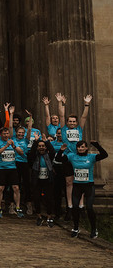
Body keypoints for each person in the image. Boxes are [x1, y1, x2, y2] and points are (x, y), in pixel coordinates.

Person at [57, 141, 108, 239]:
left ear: (86, 148)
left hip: (88, 185)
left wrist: (97, 146)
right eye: (79, 147)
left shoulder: (91, 157)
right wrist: (61, 150)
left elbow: (105, 155)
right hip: (77, 185)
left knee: (89, 207)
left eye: (82, 147)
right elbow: (58, 159)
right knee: (75, 207)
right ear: (77, 149)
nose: (80, 149)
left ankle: (94, 229)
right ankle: (76, 228)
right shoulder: (72, 156)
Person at [56, 93, 92, 221]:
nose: (71, 123)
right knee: (68, 182)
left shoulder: (79, 129)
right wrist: (61, 103)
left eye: (73, 121)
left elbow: (84, 116)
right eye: (70, 121)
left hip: (79, 158)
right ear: (67, 123)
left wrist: (86, 104)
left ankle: (81, 207)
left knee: (80, 182)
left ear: (76, 123)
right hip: (67, 157)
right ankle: (70, 207)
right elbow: (61, 115)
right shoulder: (64, 129)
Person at [0, 120, 25, 219]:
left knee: (16, 188)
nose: (6, 135)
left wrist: (14, 146)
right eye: (4, 133)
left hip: (12, 168)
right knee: (0, 188)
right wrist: (6, 146)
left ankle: (18, 207)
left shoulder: (13, 141)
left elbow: (21, 153)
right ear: (1, 134)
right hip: (1, 168)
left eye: (7, 133)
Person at [28, 133, 57, 227]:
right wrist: (35, 142)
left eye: (43, 146)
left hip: (48, 179)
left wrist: (46, 141)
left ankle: (49, 216)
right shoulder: (35, 156)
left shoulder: (49, 155)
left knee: (49, 198)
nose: (41, 148)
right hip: (37, 179)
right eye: (39, 146)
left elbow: (52, 151)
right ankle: (39, 216)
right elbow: (31, 153)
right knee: (36, 198)